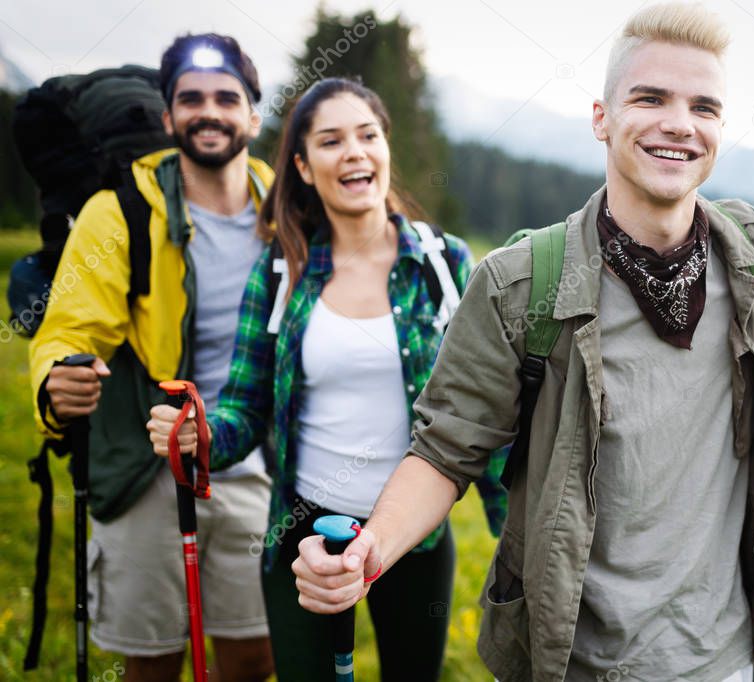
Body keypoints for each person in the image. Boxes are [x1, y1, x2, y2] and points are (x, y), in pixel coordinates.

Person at [290, 5, 754, 681]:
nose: (679, 125)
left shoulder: (744, 249)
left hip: (724, 657)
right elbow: (444, 452)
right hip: (570, 658)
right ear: (601, 117)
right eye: (650, 98)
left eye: (703, 108)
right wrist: (368, 552)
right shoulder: (517, 283)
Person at [147, 77, 507, 682]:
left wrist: (516, 519)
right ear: (304, 167)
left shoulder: (443, 265)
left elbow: (487, 411)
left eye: (367, 135)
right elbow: (243, 407)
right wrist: (199, 435)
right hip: (301, 532)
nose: (354, 152)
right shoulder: (281, 271)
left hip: (414, 538)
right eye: (331, 141)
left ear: (385, 148)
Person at [28, 34, 275, 682]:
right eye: (190, 99)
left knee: (254, 655)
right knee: (154, 659)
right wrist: (57, 380)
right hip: (151, 464)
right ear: (168, 119)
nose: (208, 111)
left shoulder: (288, 209)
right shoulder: (122, 213)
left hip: (259, 464)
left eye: (227, 97)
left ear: (253, 114)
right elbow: (69, 327)